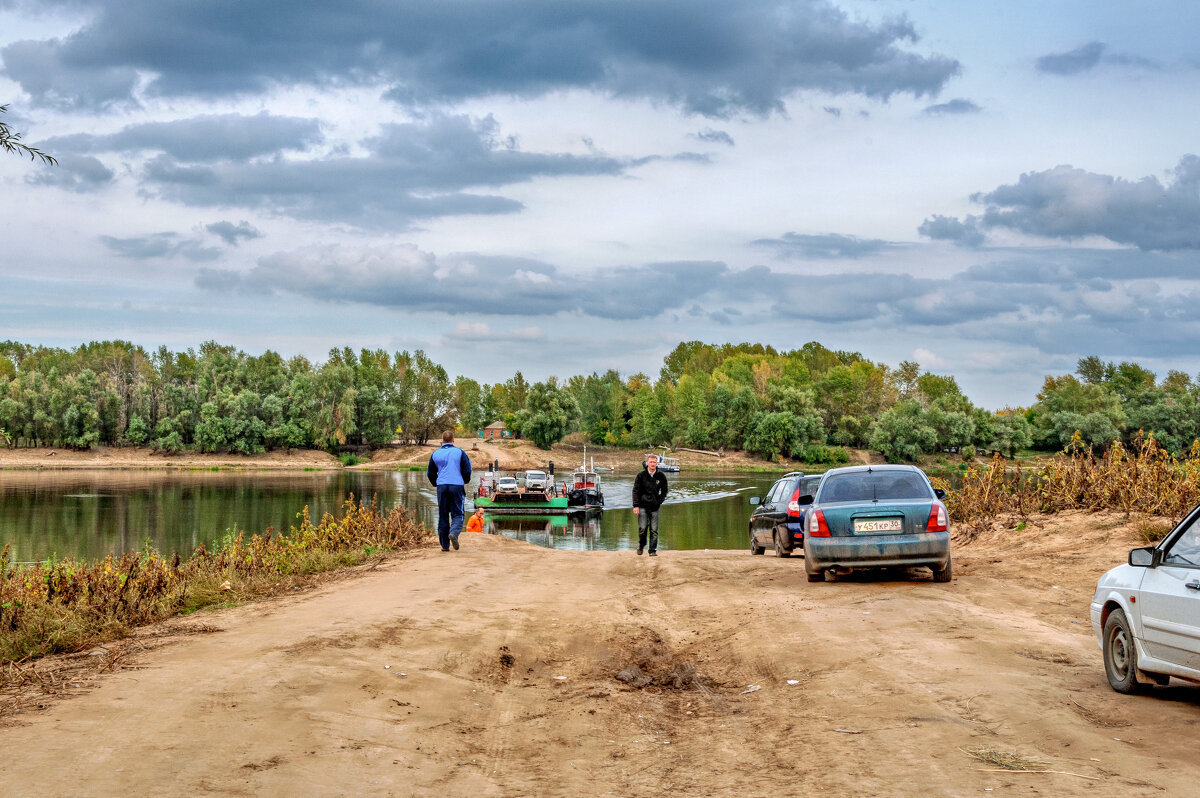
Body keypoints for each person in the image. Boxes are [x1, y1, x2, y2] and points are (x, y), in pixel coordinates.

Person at [427, 430, 473, 551]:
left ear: (442, 441)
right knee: (458, 513)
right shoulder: (460, 452)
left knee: (443, 516)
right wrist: (465, 480)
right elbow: (467, 469)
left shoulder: (435, 454)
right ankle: (453, 533)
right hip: (456, 485)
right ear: (453, 440)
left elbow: (430, 472)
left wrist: (436, 483)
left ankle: (445, 546)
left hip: (441, 486)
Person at [632, 454, 669, 556]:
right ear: (647, 463)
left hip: (655, 507)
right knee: (643, 528)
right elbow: (635, 491)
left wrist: (659, 501)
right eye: (651, 462)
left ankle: (652, 550)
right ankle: (641, 546)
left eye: (654, 462)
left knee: (654, 530)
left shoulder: (661, 476)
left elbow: (665, 490)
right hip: (643, 506)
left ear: (657, 463)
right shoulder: (641, 476)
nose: (652, 464)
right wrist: (635, 505)